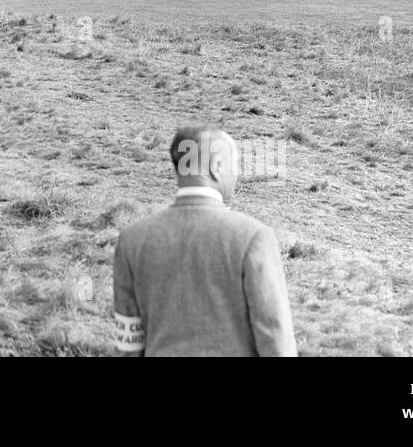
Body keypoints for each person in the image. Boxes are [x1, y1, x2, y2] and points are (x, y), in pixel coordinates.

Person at [113, 125, 297, 356]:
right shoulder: (254, 237)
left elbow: (128, 344)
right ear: (217, 167)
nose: (237, 174)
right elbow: (275, 336)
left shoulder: (132, 240)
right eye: (235, 164)